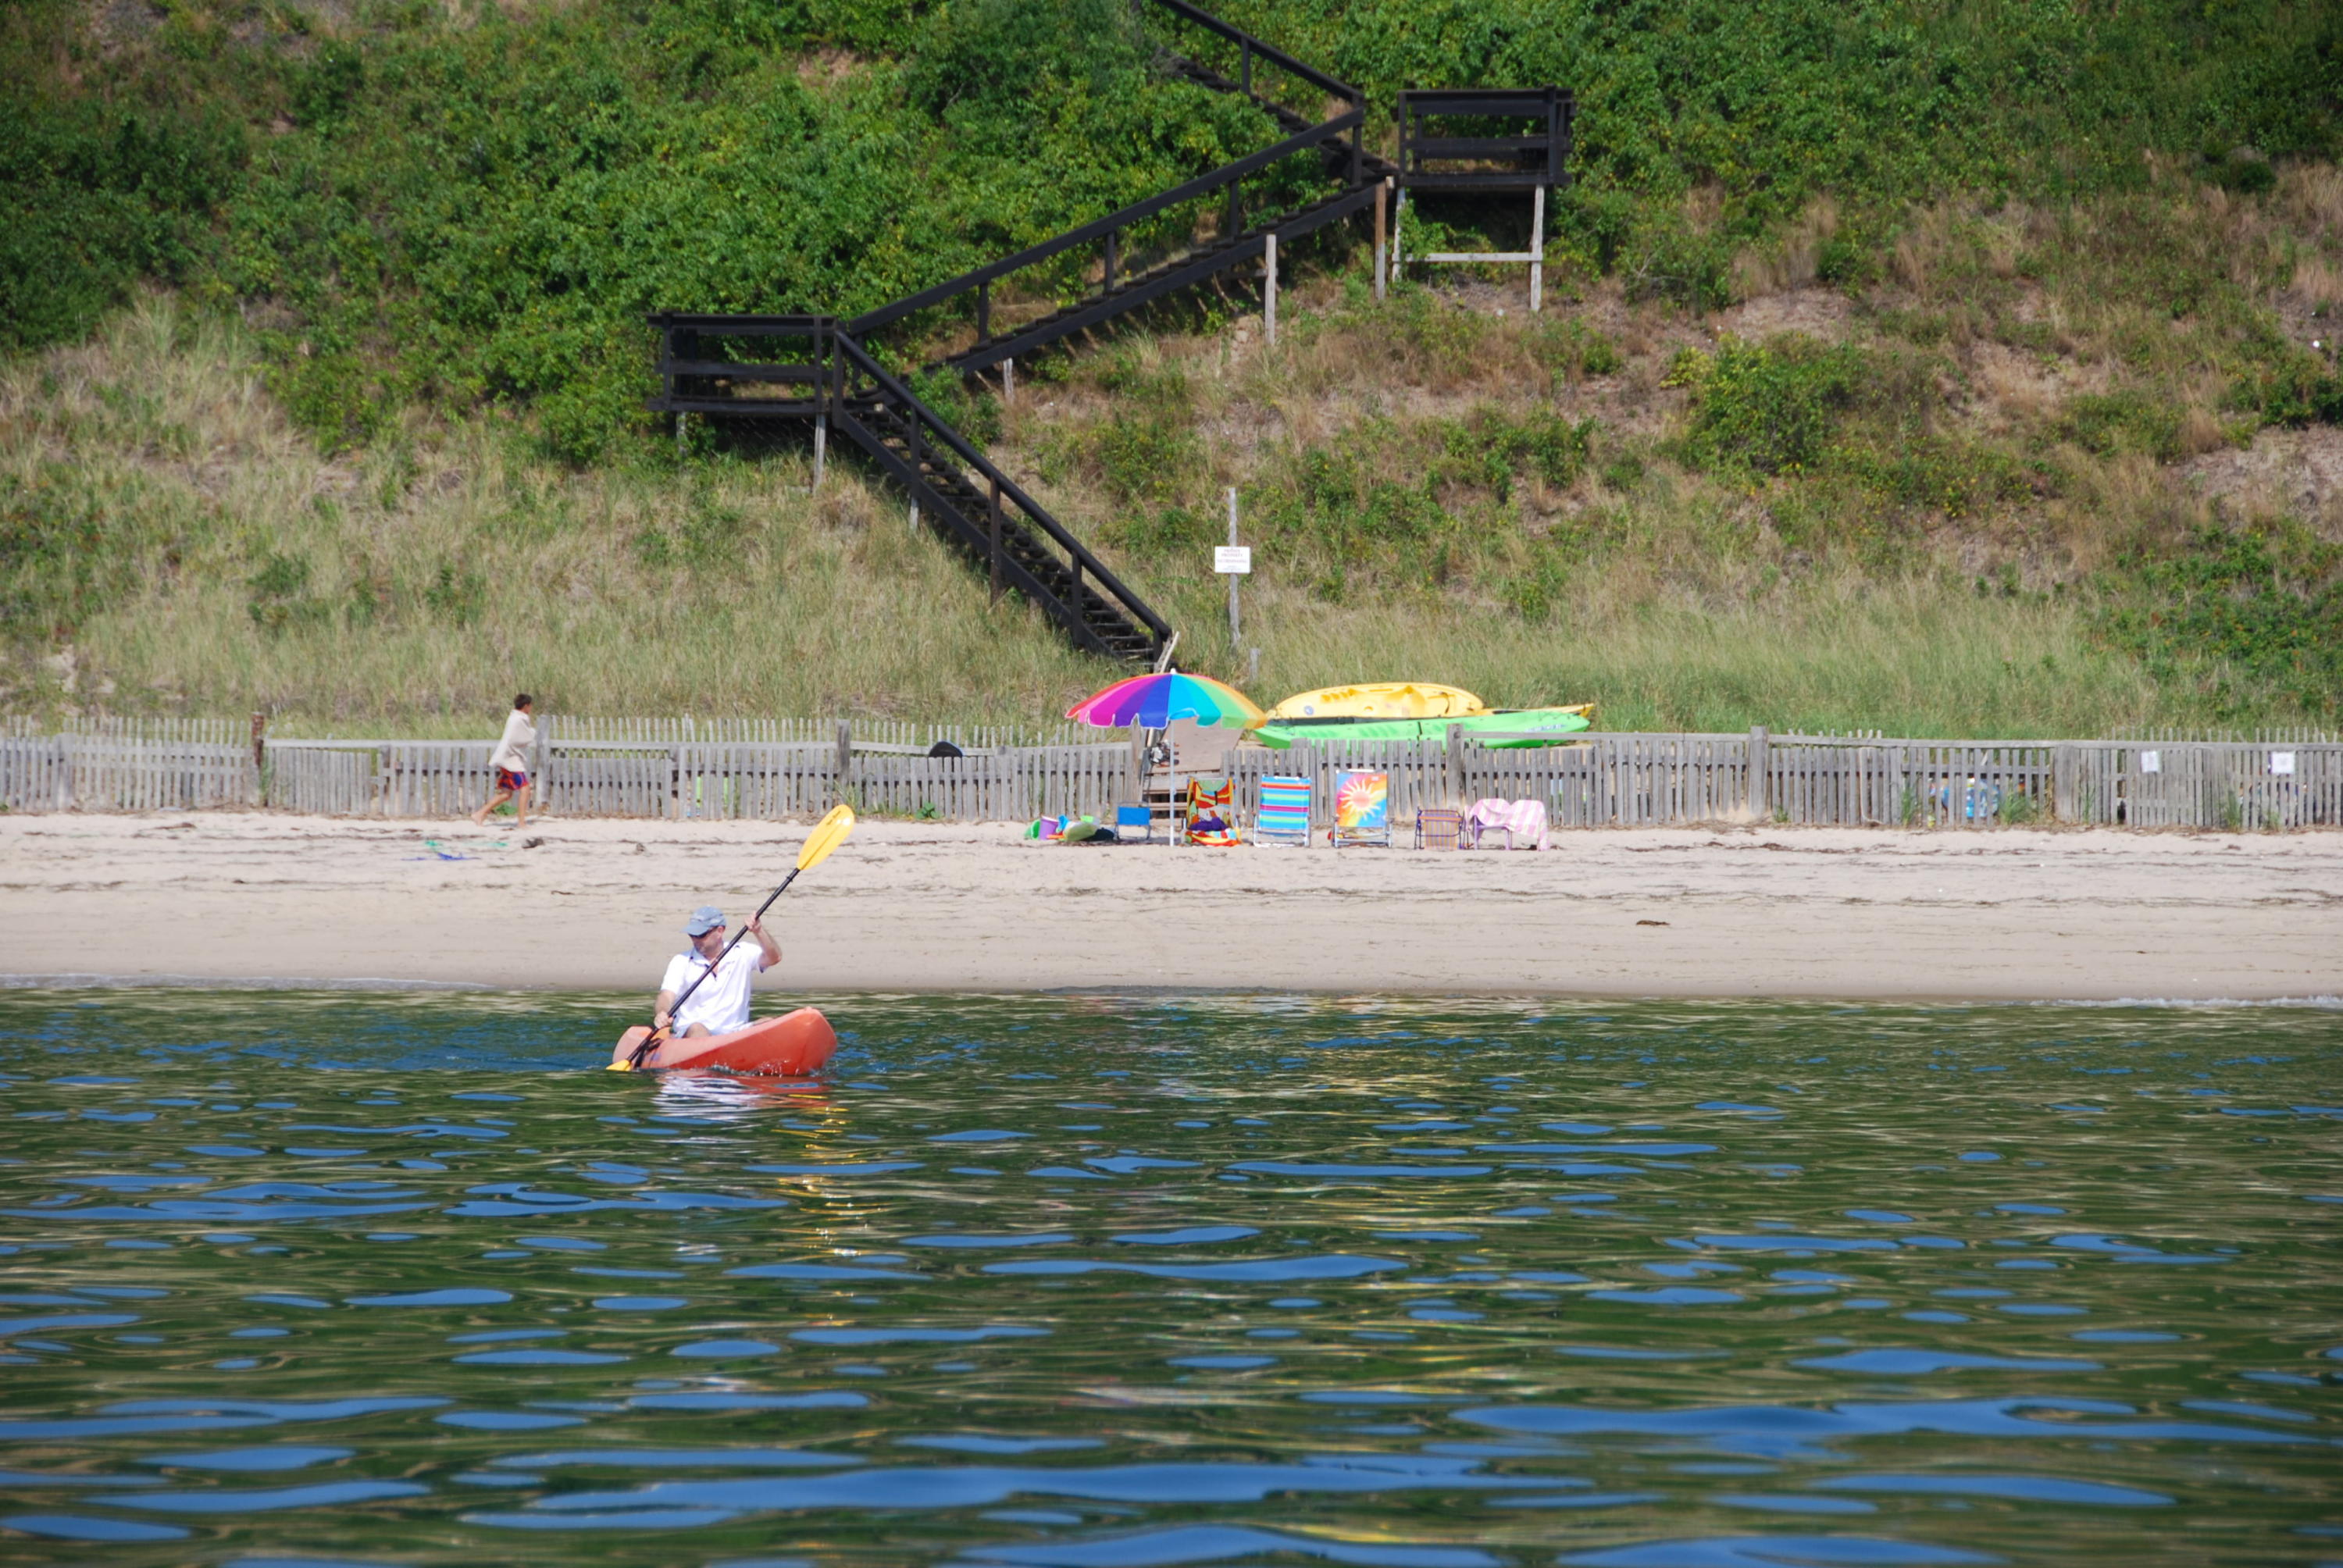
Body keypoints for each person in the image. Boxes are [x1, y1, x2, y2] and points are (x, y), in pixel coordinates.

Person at [654, 905, 783, 1038]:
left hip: (735, 1031)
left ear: (720, 931)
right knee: (698, 1029)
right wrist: (662, 1012)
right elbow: (666, 996)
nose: (695, 940)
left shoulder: (741, 952)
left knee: (770, 1023)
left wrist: (759, 931)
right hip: (692, 1032)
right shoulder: (681, 961)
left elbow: (774, 958)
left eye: (701, 935)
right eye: (692, 935)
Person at [473, 694, 536, 828]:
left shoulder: (514, 718)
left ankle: (480, 813)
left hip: (508, 758)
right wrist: (532, 732)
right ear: (526, 706)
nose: (531, 708)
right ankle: (522, 822)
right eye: (530, 705)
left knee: (506, 794)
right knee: (525, 788)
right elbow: (520, 738)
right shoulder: (518, 720)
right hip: (511, 759)